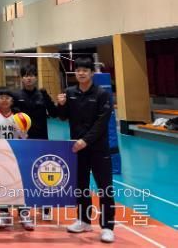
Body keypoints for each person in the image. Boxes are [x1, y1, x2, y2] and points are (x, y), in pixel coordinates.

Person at [57, 56, 115, 244]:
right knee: (81, 186)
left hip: (98, 148)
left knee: (105, 187)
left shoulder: (102, 94)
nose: (81, 73)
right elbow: (63, 117)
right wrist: (61, 105)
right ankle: (84, 220)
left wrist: (86, 140)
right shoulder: (70, 92)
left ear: (91, 73)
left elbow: (101, 123)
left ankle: (107, 227)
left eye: (85, 70)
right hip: (78, 148)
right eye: (78, 70)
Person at [0, 88, 34, 231]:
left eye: (7, 97)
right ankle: (4, 214)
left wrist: (22, 131)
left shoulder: (19, 117)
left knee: (20, 185)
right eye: (1, 97)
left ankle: (24, 214)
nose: (4, 100)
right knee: (2, 184)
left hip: (17, 154)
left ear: (12, 101)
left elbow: (24, 137)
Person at [13, 65, 58, 140]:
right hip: (22, 137)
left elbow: (54, 114)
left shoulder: (43, 94)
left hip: (41, 137)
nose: (29, 78)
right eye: (26, 76)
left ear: (36, 78)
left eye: (31, 75)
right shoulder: (16, 95)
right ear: (22, 79)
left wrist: (47, 98)